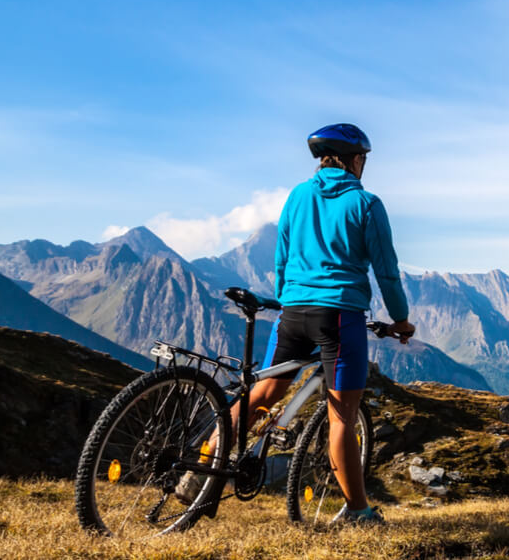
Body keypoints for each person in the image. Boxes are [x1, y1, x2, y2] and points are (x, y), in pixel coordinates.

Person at [178, 123, 415, 526]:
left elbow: (281, 261)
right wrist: (401, 320)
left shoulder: (298, 195)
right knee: (342, 416)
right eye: (364, 159)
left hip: (292, 313)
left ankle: (202, 464)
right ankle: (358, 512)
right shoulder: (367, 204)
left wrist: (288, 297)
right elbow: (387, 271)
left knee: (261, 394)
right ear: (355, 159)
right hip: (339, 317)